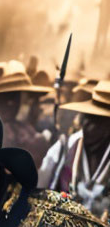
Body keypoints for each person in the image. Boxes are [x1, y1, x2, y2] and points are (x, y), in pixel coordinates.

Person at [39, 80, 110, 217]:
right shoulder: (64, 147)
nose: (87, 124)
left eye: (96, 119)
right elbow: (40, 189)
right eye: (86, 116)